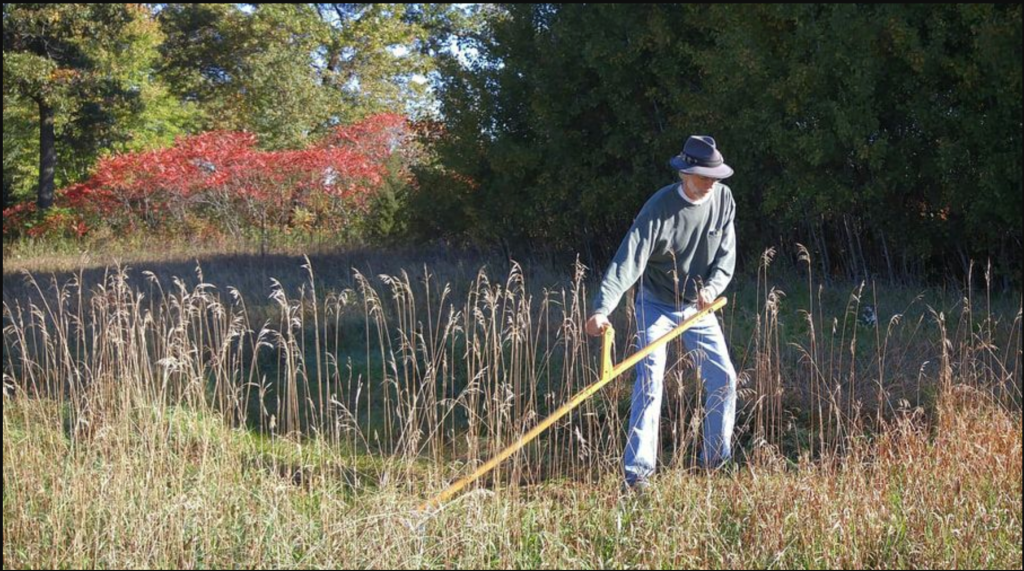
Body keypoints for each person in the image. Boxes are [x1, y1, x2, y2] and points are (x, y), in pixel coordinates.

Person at [585, 135, 739, 489]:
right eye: (704, 176)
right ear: (685, 173)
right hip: (655, 303)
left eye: (715, 177)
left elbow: (726, 256)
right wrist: (602, 308)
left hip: (698, 307)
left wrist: (711, 289)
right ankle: (637, 474)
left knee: (724, 378)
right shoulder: (659, 207)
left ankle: (715, 462)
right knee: (650, 381)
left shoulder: (724, 199)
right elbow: (628, 259)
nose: (710, 183)